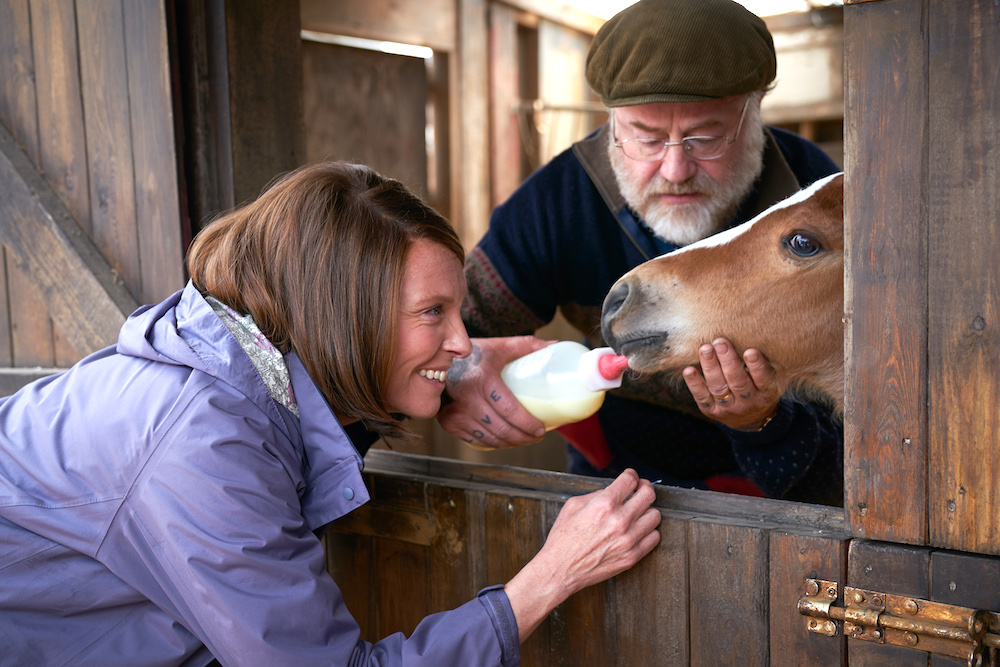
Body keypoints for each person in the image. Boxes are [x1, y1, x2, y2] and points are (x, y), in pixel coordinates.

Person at [0, 161, 661, 666]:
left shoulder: (240, 363)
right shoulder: (202, 446)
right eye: (434, 312)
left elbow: (309, 405)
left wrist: (437, 372)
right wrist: (548, 579)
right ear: (345, 318)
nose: (463, 340)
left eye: (458, 311)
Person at [438, 0, 844, 505]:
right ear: (610, 123)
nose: (675, 169)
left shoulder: (820, 200)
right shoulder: (559, 201)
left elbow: (855, 439)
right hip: (614, 489)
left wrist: (762, 422)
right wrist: (460, 367)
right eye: (645, 138)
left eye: (707, 137)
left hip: (780, 499)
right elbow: (452, 325)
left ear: (756, 111)